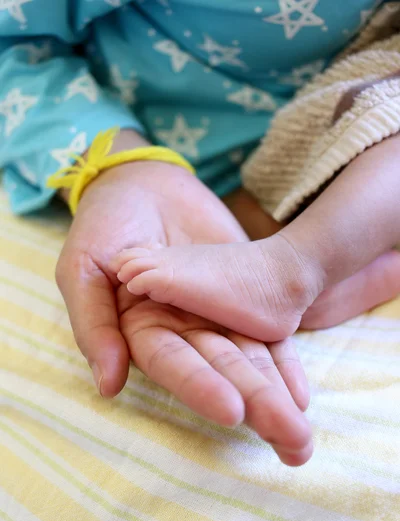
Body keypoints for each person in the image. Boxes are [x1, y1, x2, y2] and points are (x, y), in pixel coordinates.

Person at [2, 0, 400, 467]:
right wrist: (116, 165)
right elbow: (12, 42)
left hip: (360, 118)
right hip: (197, 169)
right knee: (251, 250)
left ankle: (295, 265)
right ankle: (330, 266)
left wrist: (300, 254)